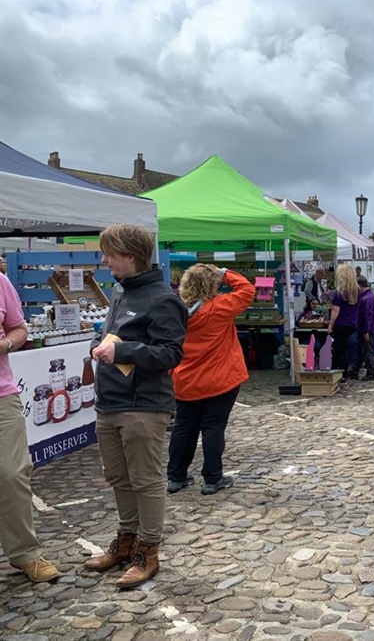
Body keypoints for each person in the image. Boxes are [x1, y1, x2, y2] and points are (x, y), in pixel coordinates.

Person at [84, 223, 187, 589]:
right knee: (118, 477)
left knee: (145, 480)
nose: (104, 259)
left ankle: (148, 550)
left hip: (143, 405)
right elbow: (117, 336)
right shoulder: (119, 292)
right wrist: (101, 344)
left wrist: (122, 351)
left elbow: (171, 354)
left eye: (109, 253)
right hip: (109, 402)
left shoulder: (163, 299)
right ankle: (126, 541)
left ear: (130, 255)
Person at [167, 264, 255, 496]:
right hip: (220, 379)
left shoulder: (175, 312)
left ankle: (176, 476)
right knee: (213, 428)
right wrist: (224, 272)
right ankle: (212, 478)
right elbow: (247, 290)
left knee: (184, 427)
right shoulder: (218, 308)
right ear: (212, 284)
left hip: (186, 379)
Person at [0, 273, 61, 583]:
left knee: (12, 473)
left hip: (1, 395)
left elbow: (19, 328)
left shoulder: (0, 281)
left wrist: (6, 343)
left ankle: (25, 553)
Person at [328, 263, 359, 383]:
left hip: (340, 323)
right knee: (344, 349)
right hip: (351, 323)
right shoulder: (356, 291)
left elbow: (336, 310)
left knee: (337, 350)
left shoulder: (340, 291)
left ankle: (336, 373)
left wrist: (331, 324)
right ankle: (344, 374)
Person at [348, 277, 374, 381]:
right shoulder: (367, 296)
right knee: (360, 351)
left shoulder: (367, 298)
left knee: (366, 351)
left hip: (365, 329)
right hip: (363, 328)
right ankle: (354, 371)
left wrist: (367, 331)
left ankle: (371, 372)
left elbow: (367, 316)